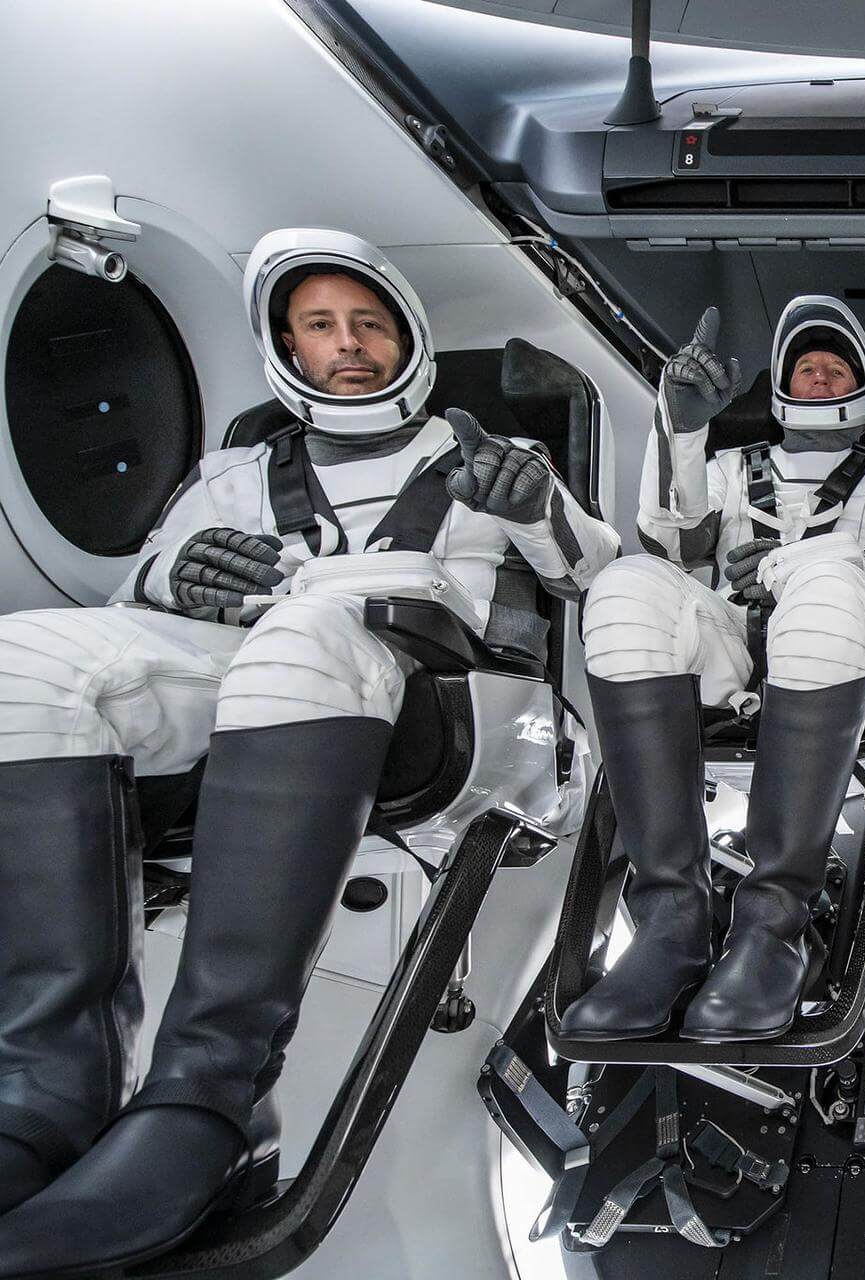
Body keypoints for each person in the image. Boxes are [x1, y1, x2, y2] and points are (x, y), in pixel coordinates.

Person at [0, 228, 619, 1275]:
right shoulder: (232, 473)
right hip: (258, 680)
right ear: (288, 346)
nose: (349, 345)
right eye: (322, 326)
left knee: (304, 631)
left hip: (452, 704)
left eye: (369, 323)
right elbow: (131, 602)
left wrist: (537, 509)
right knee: (25, 659)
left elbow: (590, 574)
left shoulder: (491, 462)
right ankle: (44, 1093)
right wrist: (170, 576)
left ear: (407, 336)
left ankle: (214, 1100)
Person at [559, 297, 865, 1044]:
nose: (819, 377)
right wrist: (681, 431)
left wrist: (819, 561)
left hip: (846, 644)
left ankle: (774, 927)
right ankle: (671, 923)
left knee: (830, 579)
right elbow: (676, 547)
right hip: (735, 644)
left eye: (836, 368)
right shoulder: (729, 466)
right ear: (781, 386)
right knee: (626, 584)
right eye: (806, 367)